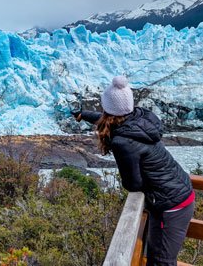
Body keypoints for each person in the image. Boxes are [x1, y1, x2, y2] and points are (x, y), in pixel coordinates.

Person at [72, 75, 195, 266]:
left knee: (161, 261)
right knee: (154, 255)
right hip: (175, 194)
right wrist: (84, 114)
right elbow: (109, 120)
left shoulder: (123, 142)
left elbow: (133, 183)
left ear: (107, 108)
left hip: (172, 205)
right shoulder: (139, 118)